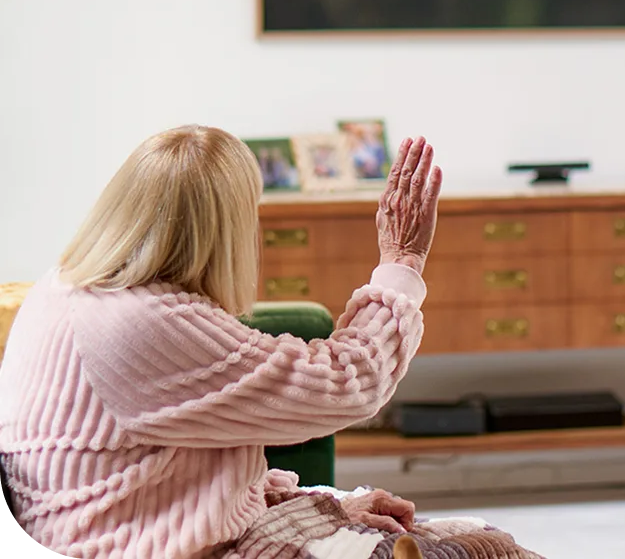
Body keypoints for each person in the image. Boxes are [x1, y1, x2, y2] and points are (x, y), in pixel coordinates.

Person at [0, 128, 544, 558]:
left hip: (116, 528)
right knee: (485, 547)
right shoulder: (139, 322)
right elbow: (344, 381)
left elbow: (161, 465)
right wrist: (401, 264)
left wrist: (327, 503)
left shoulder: (67, 285)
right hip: (124, 546)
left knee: (469, 540)